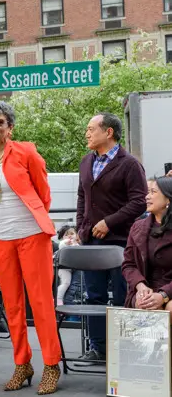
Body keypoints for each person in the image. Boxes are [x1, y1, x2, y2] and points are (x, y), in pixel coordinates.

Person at [0, 101, 61, 395]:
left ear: (11, 127)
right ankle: (22, 363)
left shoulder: (26, 152)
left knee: (41, 302)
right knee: (12, 305)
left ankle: (51, 365)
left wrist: (34, 217)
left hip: (31, 233)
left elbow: (43, 193)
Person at [75, 113, 147, 365]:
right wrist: (81, 228)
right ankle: (98, 348)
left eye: (91, 129)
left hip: (121, 242)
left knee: (121, 295)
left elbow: (139, 201)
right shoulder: (86, 162)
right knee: (92, 296)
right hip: (91, 243)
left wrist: (109, 222)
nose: (87, 133)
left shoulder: (129, 164)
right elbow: (82, 197)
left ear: (108, 132)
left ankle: (122, 348)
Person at [122, 177, 172, 311]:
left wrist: (164, 295)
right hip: (146, 288)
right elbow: (128, 264)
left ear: (168, 199)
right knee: (146, 305)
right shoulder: (138, 227)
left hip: (169, 289)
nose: (147, 197)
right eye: (147, 192)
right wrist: (140, 286)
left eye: (153, 192)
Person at [55, 225, 80, 306]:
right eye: (66, 234)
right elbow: (61, 246)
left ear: (76, 235)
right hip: (64, 268)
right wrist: (66, 242)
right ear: (62, 237)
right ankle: (58, 299)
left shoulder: (77, 244)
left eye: (72, 233)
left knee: (70, 284)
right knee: (66, 283)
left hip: (73, 268)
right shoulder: (63, 244)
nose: (69, 236)